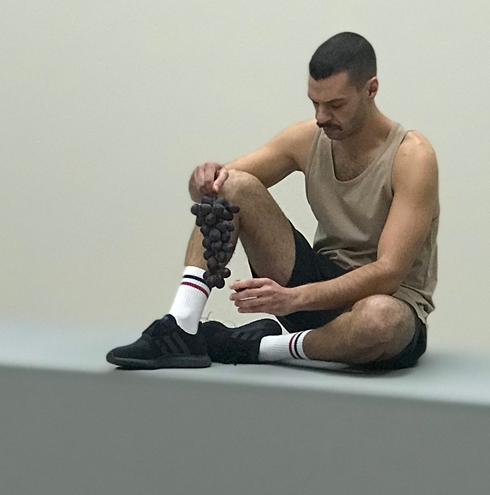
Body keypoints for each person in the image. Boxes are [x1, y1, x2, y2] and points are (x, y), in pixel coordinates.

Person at [106, 32, 439, 371]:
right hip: (314, 289)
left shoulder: (412, 157)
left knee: (380, 320)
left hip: (385, 303)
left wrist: (294, 298)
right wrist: (203, 181)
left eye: (335, 105)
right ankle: (182, 325)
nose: (321, 116)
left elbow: (388, 273)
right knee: (232, 184)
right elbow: (216, 191)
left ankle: (258, 347)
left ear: (371, 89)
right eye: (315, 103)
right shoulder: (307, 137)